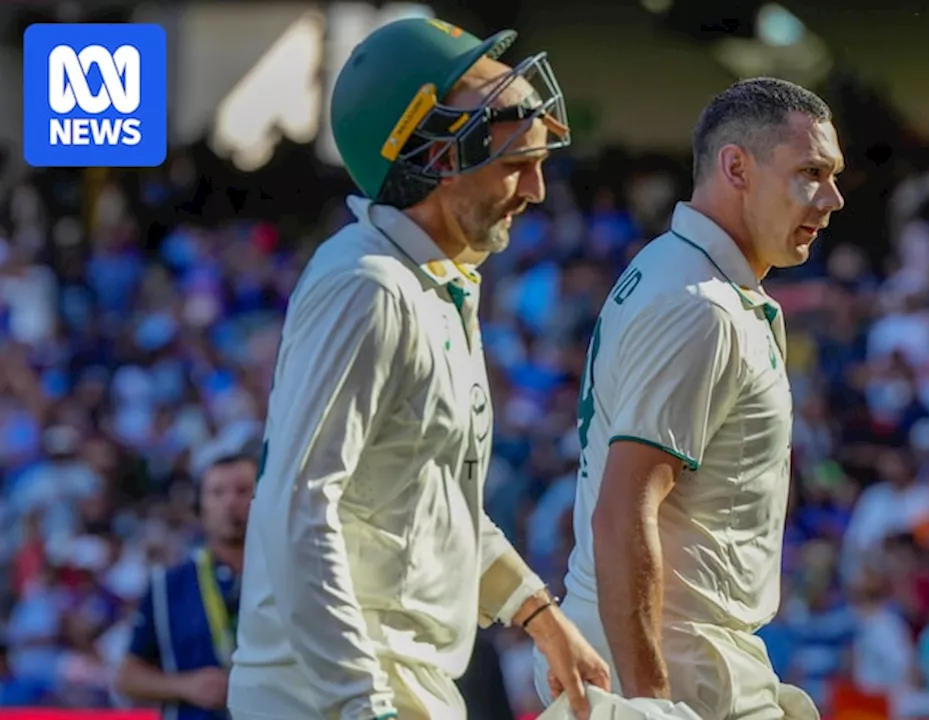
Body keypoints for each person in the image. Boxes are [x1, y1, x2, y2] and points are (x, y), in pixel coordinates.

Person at [226, 17, 608, 720]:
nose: (537, 189)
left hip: (397, 689)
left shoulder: (432, 285)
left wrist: (538, 615)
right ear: (436, 156)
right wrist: (357, 703)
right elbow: (299, 508)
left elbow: (433, 503)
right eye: (516, 163)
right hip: (334, 696)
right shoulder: (366, 286)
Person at [533, 77, 845, 719]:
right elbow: (623, 513)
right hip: (677, 668)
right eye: (811, 171)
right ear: (737, 167)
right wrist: (650, 708)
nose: (833, 198)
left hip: (679, 655)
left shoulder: (679, 272)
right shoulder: (698, 304)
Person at [114, 445, 257, 720]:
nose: (230, 503)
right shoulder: (167, 586)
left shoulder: (285, 577)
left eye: (242, 491)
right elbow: (126, 677)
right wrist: (185, 686)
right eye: (217, 493)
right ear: (200, 505)